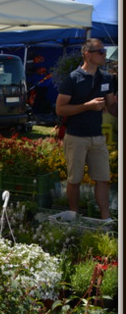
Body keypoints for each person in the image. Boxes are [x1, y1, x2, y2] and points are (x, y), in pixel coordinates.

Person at [55, 38, 117, 220]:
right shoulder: (73, 78)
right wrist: (86, 106)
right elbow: (60, 109)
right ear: (87, 54)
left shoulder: (106, 77)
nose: (104, 55)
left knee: (103, 179)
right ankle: (74, 215)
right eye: (101, 51)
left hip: (97, 136)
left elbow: (112, 107)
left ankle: (106, 219)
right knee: (74, 179)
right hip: (76, 136)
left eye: (104, 51)